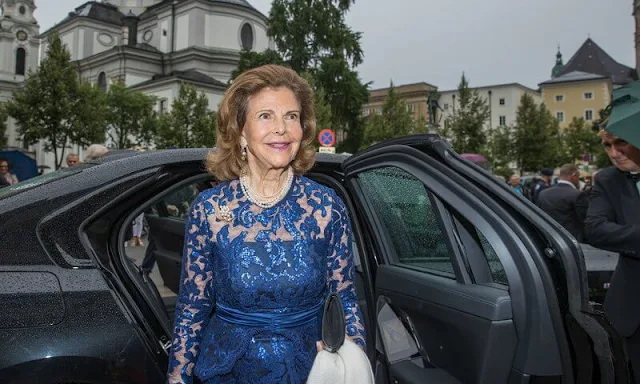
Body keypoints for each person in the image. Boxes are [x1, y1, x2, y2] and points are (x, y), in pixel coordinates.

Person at [166, 65, 366, 384]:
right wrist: (178, 378)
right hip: (229, 371)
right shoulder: (210, 209)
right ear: (241, 131)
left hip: (311, 371)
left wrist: (352, 361)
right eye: (265, 116)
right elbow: (192, 307)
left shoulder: (326, 207)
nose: (282, 129)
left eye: (291, 116)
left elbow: (345, 299)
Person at [585, 128, 640, 383]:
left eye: (621, 143)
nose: (614, 153)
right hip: (633, 308)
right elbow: (596, 229)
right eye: (607, 146)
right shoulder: (608, 179)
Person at [537, 164, 588, 242]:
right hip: (572, 240)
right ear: (573, 175)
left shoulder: (543, 193)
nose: (578, 180)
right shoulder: (577, 194)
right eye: (578, 177)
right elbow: (584, 219)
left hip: (548, 239)